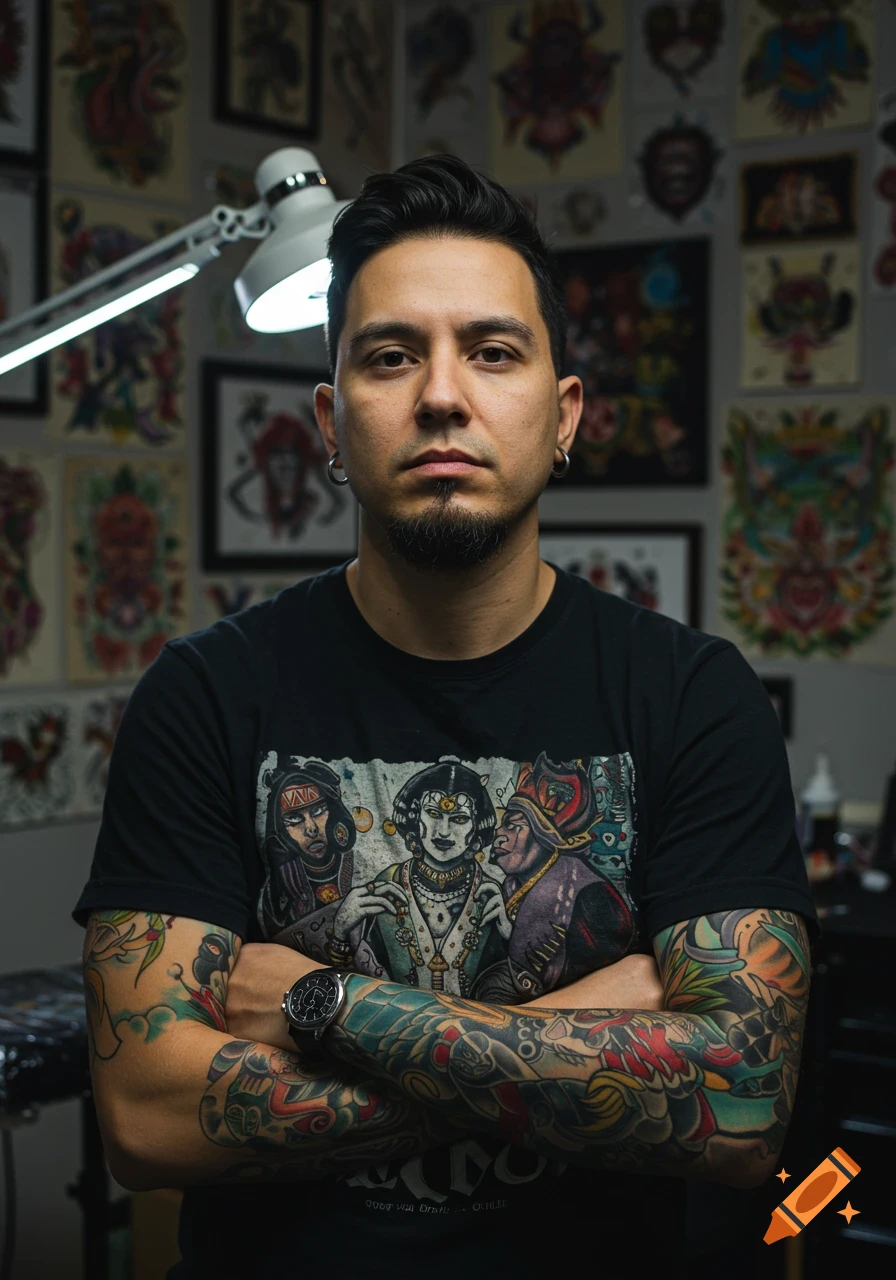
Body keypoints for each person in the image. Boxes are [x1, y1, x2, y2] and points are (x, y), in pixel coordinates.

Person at [74, 155, 820, 1279]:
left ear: (562, 414)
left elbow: (740, 1097)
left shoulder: (690, 694)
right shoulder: (208, 693)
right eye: (389, 355)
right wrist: (589, 1029)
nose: (439, 393)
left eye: (492, 349)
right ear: (330, 423)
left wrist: (327, 1002)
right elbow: (144, 1116)